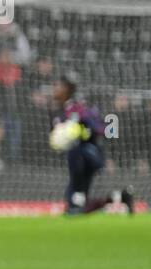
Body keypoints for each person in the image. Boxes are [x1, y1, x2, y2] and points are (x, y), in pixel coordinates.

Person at [51, 78, 132, 215]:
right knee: (75, 206)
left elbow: (101, 128)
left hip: (88, 154)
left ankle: (77, 202)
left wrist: (85, 130)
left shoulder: (77, 109)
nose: (54, 89)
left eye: (58, 86)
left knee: (75, 151)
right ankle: (120, 197)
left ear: (67, 89)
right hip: (82, 156)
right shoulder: (60, 110)